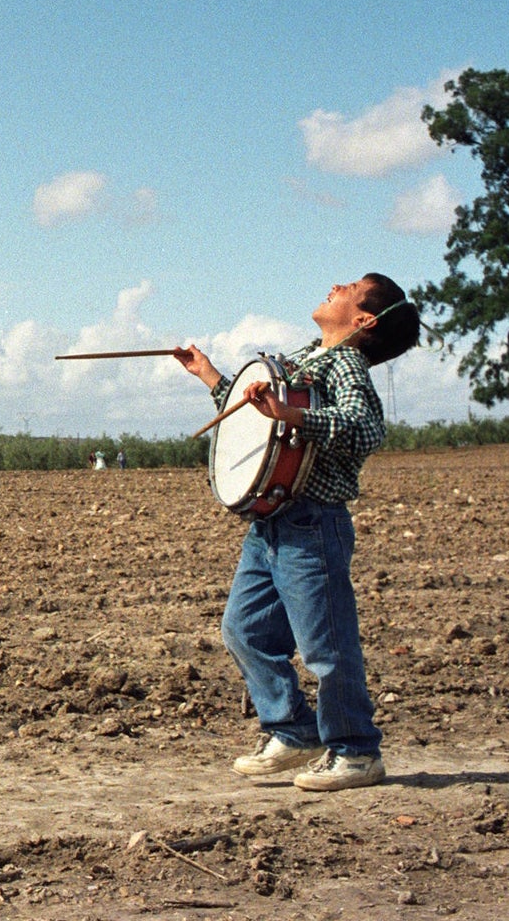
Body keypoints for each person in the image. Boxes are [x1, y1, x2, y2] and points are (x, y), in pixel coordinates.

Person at [172, 274, 419, 792]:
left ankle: (356, 752)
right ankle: (292, 730)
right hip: (272, 522)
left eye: (351, 287)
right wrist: (213, 378)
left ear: (363, 320)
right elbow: (263, 420)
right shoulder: (309, 358)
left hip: (313, 522)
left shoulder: (347, 364)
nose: (336, 284)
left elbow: (367, 428)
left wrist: (293, 415)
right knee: (244, 631)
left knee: (327, 647)